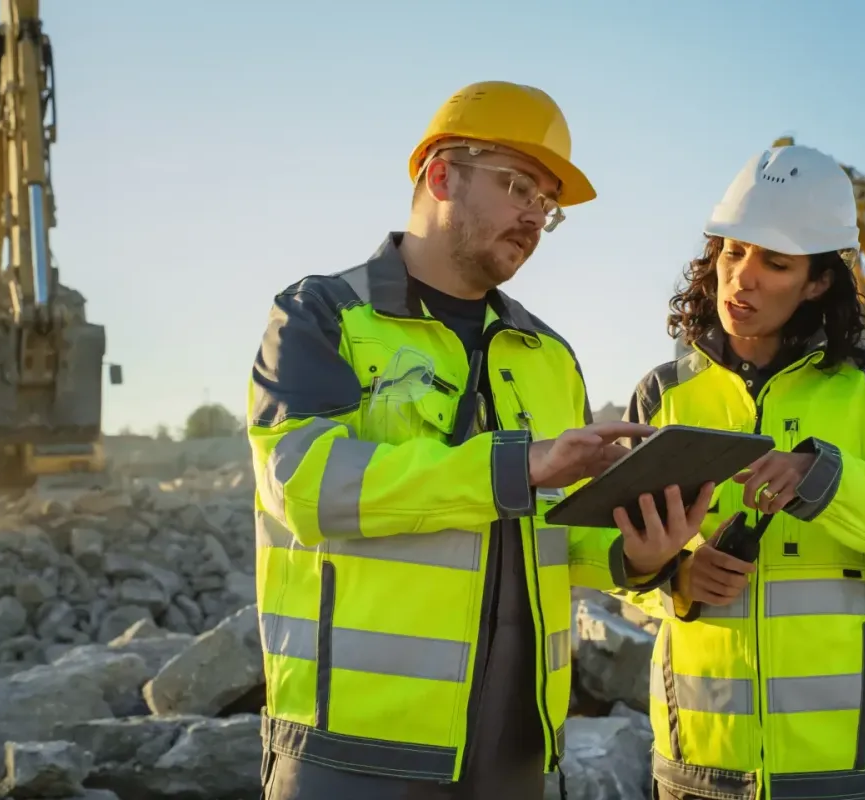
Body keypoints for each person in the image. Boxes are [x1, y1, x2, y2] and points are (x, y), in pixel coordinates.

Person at [246, 80, 710, 800]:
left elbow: (555, 535)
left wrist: (635, 554)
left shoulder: (547, 356)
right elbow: (305, 485)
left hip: (512, 760)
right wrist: (517, 466)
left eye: (547, 205)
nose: (534, 216)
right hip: (353, 755)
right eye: (518, 185)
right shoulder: (322, 315)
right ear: (440, 174)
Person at [613, 143, 865, 800]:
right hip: (697, 769)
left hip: (848, 772)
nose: (742, 277)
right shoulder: (663, 397)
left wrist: (827, 481)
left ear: (819, 282)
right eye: (734, 251)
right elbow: (610, 554)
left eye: (775, 263)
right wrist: (676, 574)